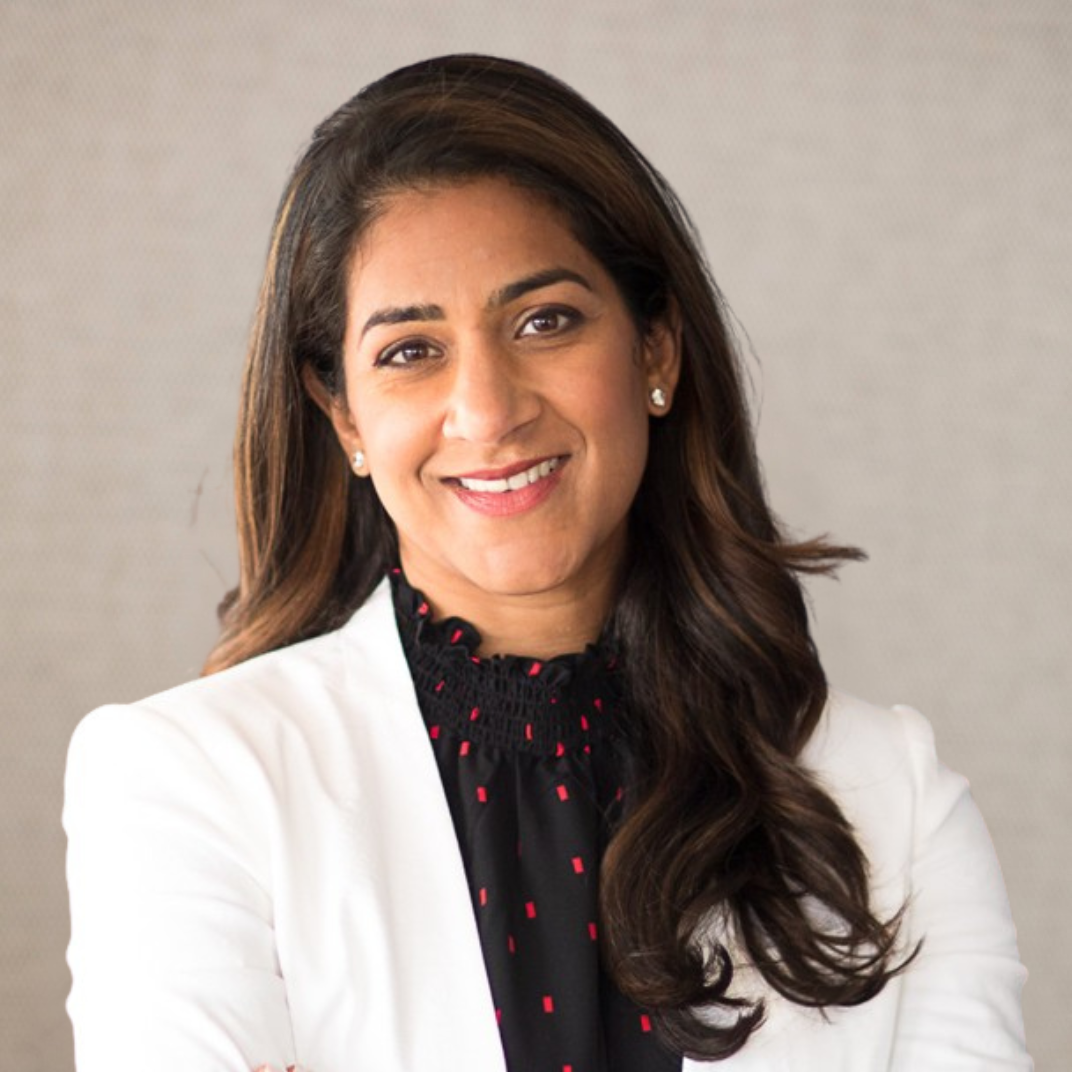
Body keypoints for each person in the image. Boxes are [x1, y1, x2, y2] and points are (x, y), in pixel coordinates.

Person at [63, 54, 1031, 1071]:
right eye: (409, 351)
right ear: (342, 412)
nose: (488, 409)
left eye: (544, 321)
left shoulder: (892, 797)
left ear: (655, 349)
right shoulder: (189, 783)